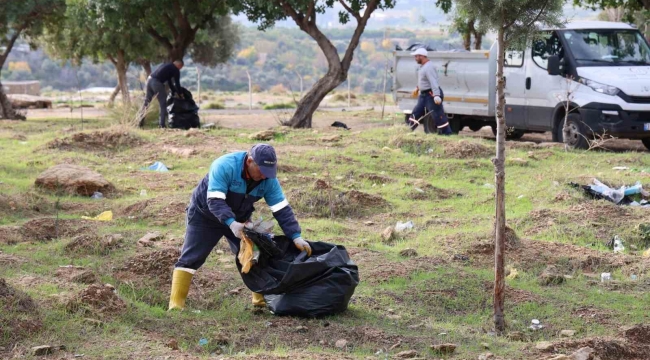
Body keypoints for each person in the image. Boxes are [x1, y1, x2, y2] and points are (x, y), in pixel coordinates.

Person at [168, 144, 311, 311]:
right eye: (262, 171)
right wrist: (231, 223)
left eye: (269, 172)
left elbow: (281, 209)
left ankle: (260, 302)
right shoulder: (225, 166)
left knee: (254, 255)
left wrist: (295, 236)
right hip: (205, 216)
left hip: (240, 219)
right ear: (250, 161)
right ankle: (176, 306)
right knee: (191, 257)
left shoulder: (268, 179)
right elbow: (215, 200)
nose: (265, 176)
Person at [407, 48, 452, 135]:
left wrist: (436, 95)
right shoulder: (422, 66)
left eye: (416, 56)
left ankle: (447, 133)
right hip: (423, 95)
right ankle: (407, 129)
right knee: (416, 112)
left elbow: (433, 82)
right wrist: (418, 87)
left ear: (422, 56)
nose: (415, 58)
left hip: (431, 95)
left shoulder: (429, 67)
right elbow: (424, 80)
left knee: (437, 115)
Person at [139, 60, 184, 128]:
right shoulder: (175, 69)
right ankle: (162, 125)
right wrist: (181, 94)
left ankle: (139, 122)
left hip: (149, 80)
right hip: (157, 83)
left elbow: (170, 82)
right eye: (181, 68)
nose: (180, 69)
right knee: (163, 103)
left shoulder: (167, 65)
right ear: (179, 65)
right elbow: (177, 83)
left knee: (146, 102)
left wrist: (174, 91)